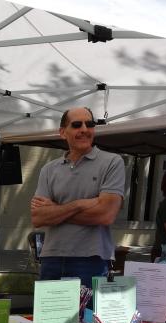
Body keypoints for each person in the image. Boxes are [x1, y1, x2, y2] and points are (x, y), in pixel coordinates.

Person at [30, 106, 126, 291]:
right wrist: (81, 204)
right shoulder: (49, 169)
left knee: (87, 320)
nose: (84, 129)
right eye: (76, 125)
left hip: (91, 260)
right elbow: (38, 218)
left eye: (89, 124)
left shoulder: (112, 162)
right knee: (50, 320)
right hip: (52, 257)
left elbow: (105, 216)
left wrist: (56, 209)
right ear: (62, 132)